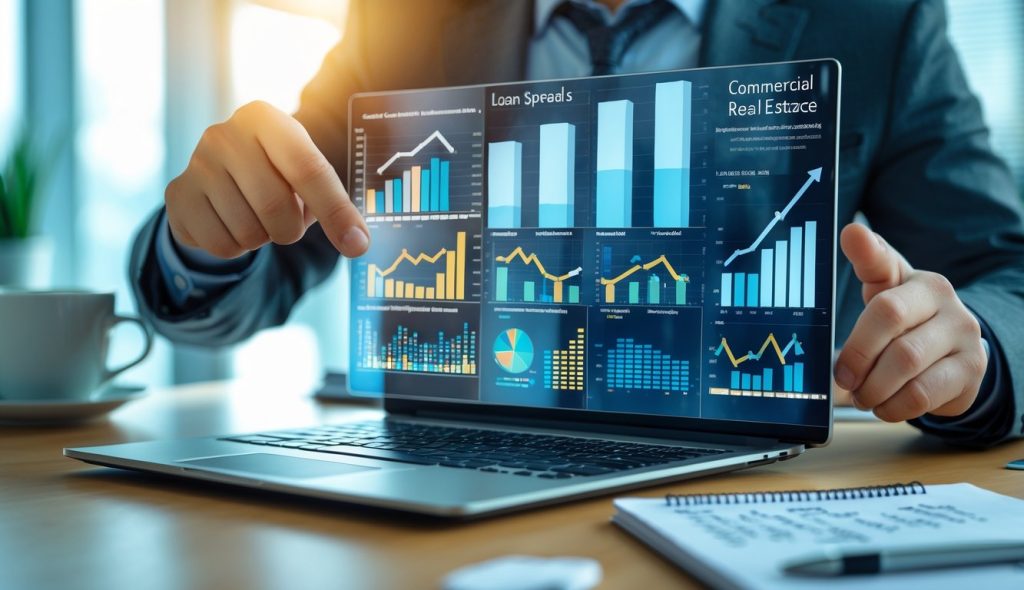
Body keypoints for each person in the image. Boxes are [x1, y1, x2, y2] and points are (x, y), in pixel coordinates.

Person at [130, 0, 1024, 447]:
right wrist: (203, 245)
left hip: (744, 478)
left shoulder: (876, 16)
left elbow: (1005, 275)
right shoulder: (404, 18)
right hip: (445, 467)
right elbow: (281, 238)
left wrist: (968, 353)